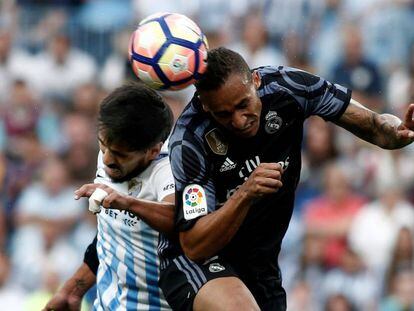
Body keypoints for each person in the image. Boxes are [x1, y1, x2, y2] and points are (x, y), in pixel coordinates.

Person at [158, 47, 414, 311]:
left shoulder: (289, 86)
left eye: (243, 104)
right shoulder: (190, 139)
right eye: (223, 114)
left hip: (260, 263)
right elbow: (194, 245)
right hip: (198, 264)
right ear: (204, 105)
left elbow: (374, 126)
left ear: (255, 81)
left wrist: (397, 132)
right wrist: (245, 194)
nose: (238, 120)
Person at [43, 82, 175, 310]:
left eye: (120, 154)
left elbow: (180, 219)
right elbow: (108, 238)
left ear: (153, 151)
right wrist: (72, 290)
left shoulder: (167, 170)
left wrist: (126, 203)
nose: (107, 160)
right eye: (103, 146)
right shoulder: (109, 157)